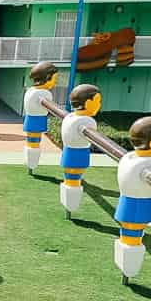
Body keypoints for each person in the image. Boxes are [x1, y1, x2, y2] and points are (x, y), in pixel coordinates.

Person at [113, 116, 151, 282]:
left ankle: (127, 269)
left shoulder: (129, 157)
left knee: (128, 235)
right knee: (133, 238)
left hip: (125, 203)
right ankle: (129, 269)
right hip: (139, 205)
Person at [58, 83, 102, 214]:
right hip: (79, 153)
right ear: (88, 103)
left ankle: (69, 207)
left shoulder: (69, 116)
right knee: (74, 180)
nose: (99, 105)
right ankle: (70, 207)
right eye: (98, 101)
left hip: (68, 152)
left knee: (70, 179)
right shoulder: (88, 121)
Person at [22, 61, 61, 173]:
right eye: (54, 78)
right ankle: (31, 165)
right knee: (34, 142)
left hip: (31, 118)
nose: (55, 82)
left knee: (32, 141)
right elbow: (47, 107)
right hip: (37, 119)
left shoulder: (31, 90)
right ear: (47, 77)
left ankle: (31, 165)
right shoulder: (44, 93)